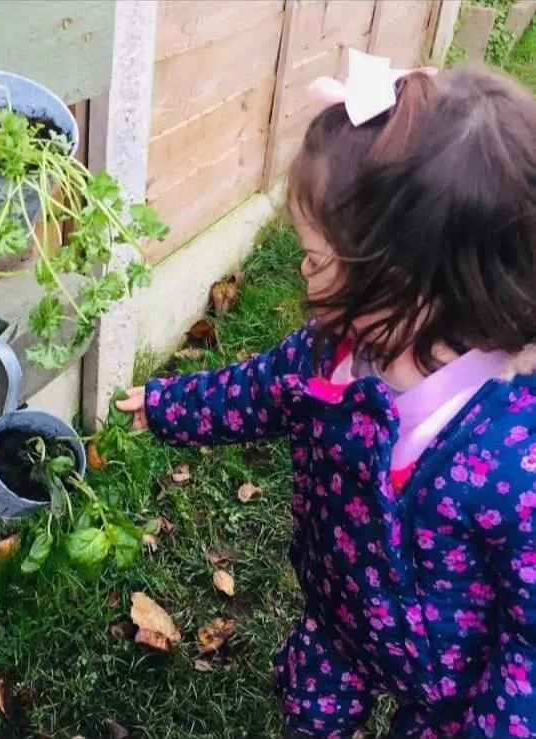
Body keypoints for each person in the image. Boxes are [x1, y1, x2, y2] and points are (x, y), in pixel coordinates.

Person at [117, 49, 536, 738]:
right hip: (336, 612)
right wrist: (168, 405)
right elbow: (254, 390)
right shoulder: (331, 357)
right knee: (310, 706)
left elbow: (527, 635)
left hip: (445, 688)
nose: (299, 272)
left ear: (404, 280)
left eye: (314, 259)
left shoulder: (512, 456)